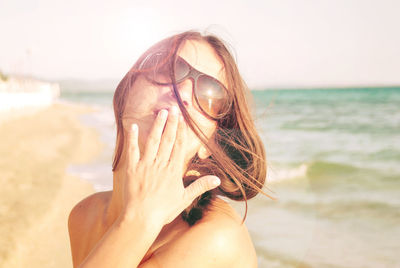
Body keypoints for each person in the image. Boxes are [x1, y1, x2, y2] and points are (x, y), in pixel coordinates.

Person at [68, 30, 275, 268]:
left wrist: (140, 220)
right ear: (126, 91)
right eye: (168, 68)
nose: (183, 93)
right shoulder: (83, 215)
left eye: (211, 93)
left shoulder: (214, 237)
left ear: (209, 144)